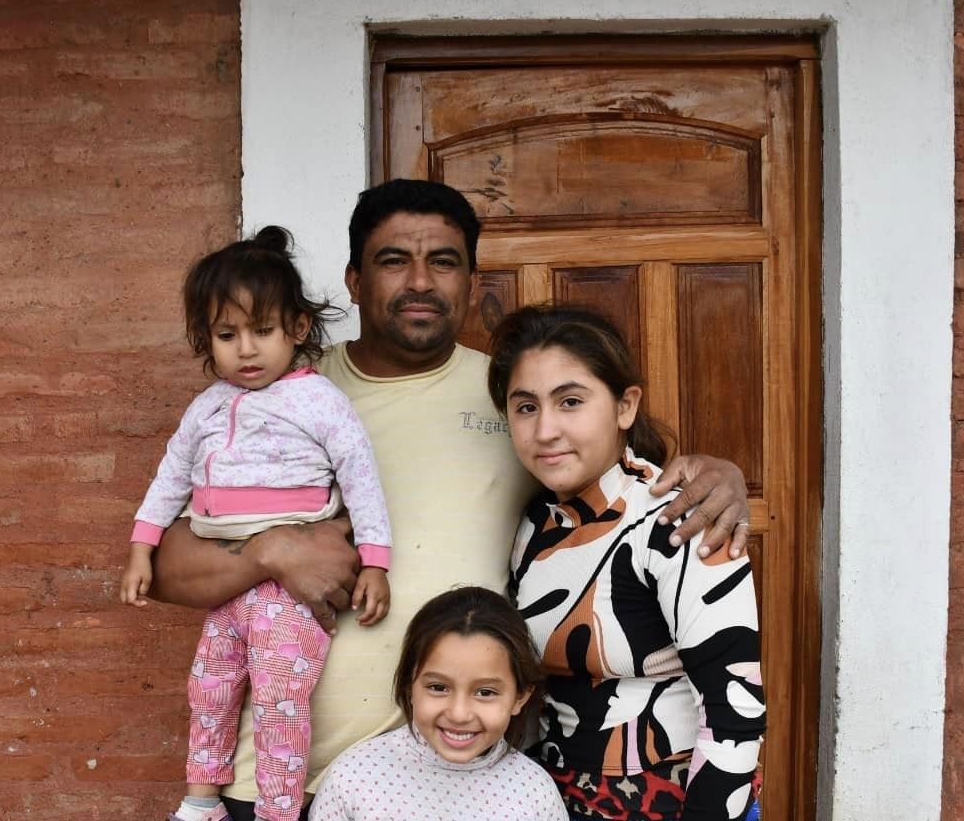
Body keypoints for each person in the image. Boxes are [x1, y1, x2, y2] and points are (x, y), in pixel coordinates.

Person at [145, 179, 752, 821]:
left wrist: (720, 475)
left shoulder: (513, 398)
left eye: (442, 261)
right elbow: (160, 567)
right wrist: (270, 552)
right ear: (354, 281)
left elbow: (613, 472)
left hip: (450, 781)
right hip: (276, 779)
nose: (419, 281)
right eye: (393, 261)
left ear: (471, 280)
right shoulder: (276, 393)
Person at [120, 227, 393, 821]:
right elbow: (171, 476)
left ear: (297, 328)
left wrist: (376, 562)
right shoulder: (207, 407)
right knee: (209, 688)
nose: (246, 350)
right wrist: (142, 545)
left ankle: (277, 812)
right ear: (207, 339)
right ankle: (201, 801)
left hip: (288, 594)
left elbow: (361, 478)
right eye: (227, 335)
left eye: (262, 331)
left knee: (279, 703)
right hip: (230, 584)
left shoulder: (319, 401)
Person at [488, 305, 765, 821]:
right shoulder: (533, 527)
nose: (545, 429)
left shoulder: (681, 521)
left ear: (625, 406)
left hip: (667, 797)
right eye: (525, 407)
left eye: (570, 402)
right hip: (553, 795)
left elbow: (735, 709)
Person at [308, 586, 567, 820]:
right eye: (438, 688)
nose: (459, 714)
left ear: (520, 697)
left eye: (485, 692)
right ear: (409, 687)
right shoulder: (355, 777)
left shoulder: (535, 794)